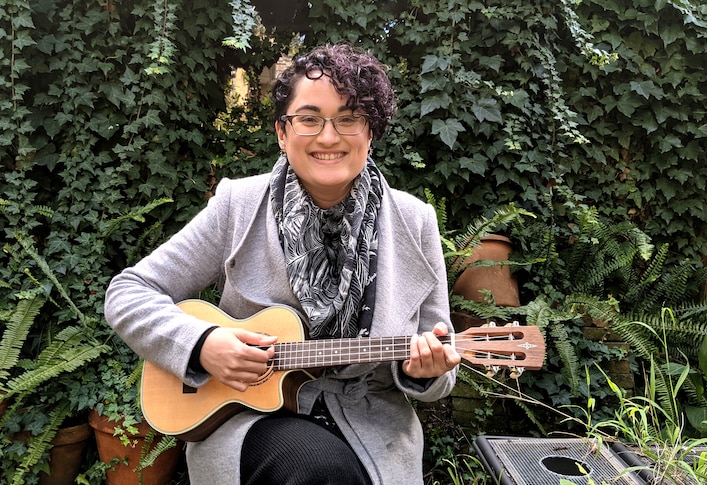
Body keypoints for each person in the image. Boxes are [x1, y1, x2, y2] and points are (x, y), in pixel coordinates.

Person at [104, 43, 461, 485]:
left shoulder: (415, 221)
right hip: (248, 415)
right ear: (281, 132)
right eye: (309, 119)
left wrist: (424, 371)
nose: (328, 137)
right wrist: (202, 343)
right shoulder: (239, 205)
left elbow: (442, 363)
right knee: (317, 471)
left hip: (374, 422)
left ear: (370, 133)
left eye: (349, 119)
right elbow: (128, 292)